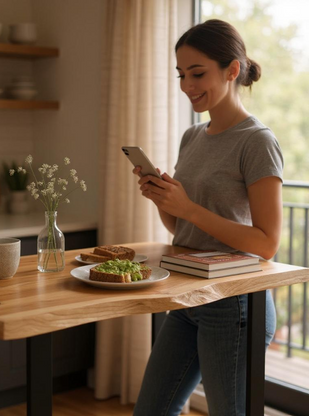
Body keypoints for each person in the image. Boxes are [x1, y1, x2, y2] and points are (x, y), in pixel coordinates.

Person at [133, 19, 283, 416]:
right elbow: (182, 230)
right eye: (182, 75)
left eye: (197, 74)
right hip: (189, 294)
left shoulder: (258, 141)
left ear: (232, 70)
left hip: (235, 305)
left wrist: (189, 208)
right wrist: (163, 200)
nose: (187, 86)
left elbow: (267, 244)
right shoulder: (192, 137)